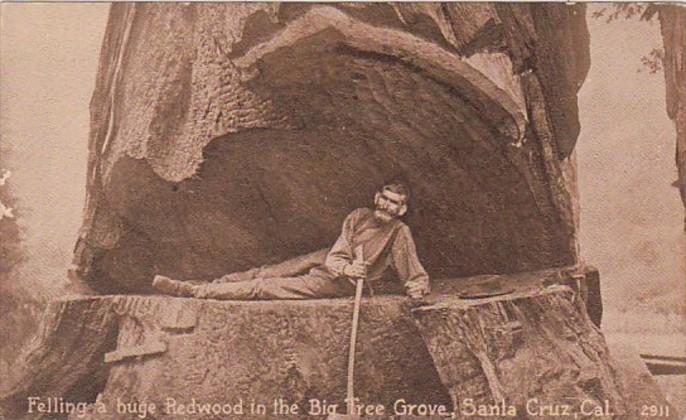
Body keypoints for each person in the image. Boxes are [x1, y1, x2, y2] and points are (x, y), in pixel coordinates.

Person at [152, 182, 430, 300]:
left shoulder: (398, 232)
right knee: (266, 271)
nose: (387, 205)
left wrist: (416, 288)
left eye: (394, 203)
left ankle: (195, 293)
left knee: (264, 287)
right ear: (376, 197)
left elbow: (414, 274)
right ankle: (208, 286)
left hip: (339, 283)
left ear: (401, 209)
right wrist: (345, 266)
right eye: (384, 198)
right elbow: (338, 254)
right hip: (334, 263)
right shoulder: (359, 216)